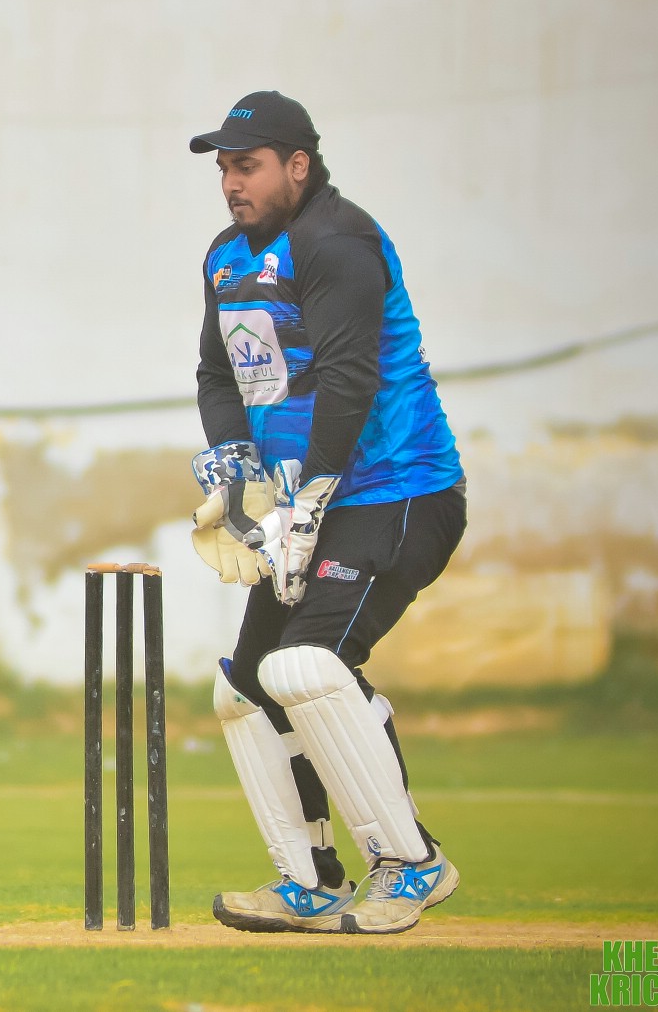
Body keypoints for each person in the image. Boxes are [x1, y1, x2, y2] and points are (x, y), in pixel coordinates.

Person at [185, 93, 467, 935]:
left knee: (305, 667)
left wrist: (306, 498)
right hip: (305, 507)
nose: (231, 183)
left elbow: (349, 378)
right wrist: (240, 479)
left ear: (297, 165)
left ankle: (410, 864)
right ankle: (308, 880)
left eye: (247, 166)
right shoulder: (225, 257)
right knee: (245, 688)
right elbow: (216, 376)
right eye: (224, 169)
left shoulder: (337, 241)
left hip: (395, 493)